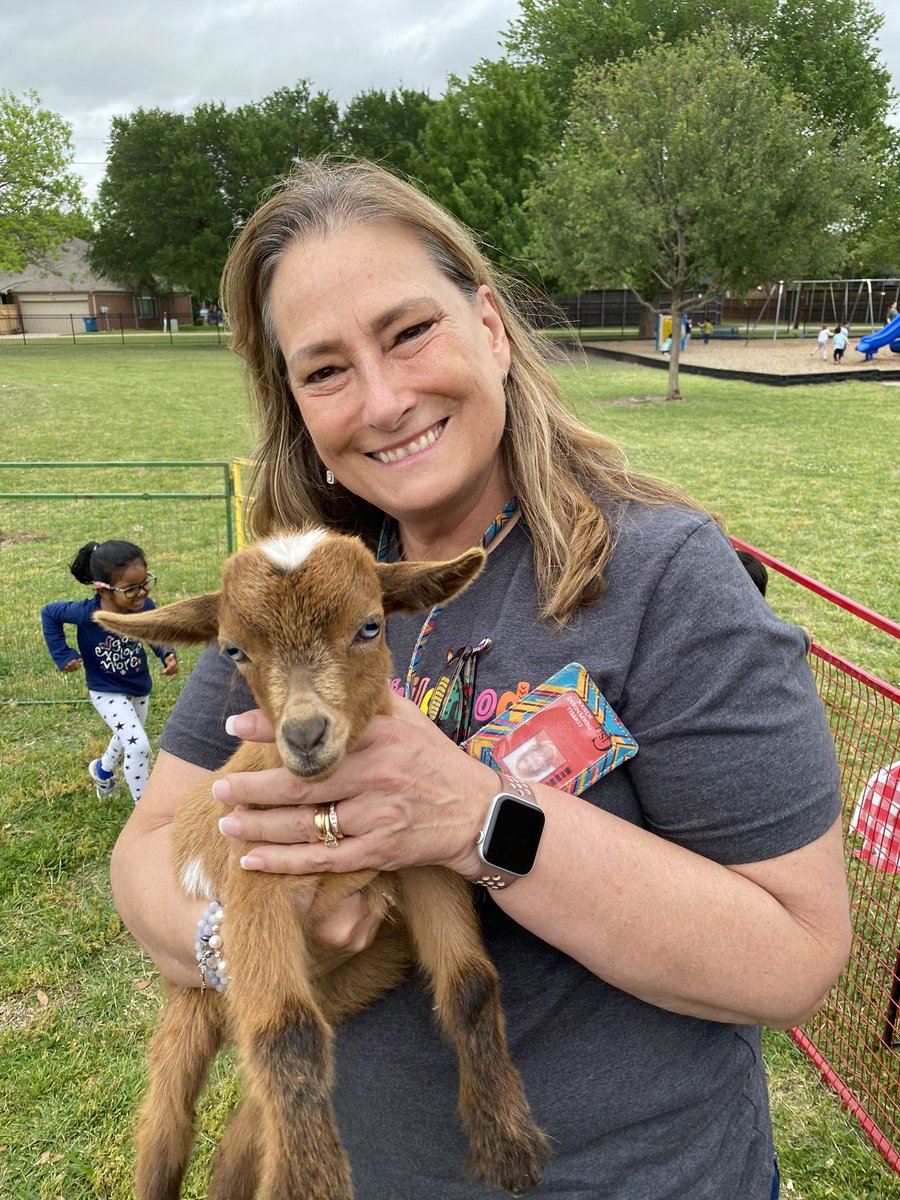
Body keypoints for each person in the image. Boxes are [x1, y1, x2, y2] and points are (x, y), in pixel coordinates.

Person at [110, 159, 850, 1200]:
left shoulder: (667, 581)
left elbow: (796, 956)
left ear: (492, 329)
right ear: (297, 406)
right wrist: (239, 945)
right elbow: (145, 854)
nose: (383, 399)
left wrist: (474, 819)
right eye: (324, 371)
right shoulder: (290, 588)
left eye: (409, 332)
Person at [41, 540, 178, 803]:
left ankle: (102, 771)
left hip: (138, 686)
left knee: (126, 733)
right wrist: (63, 655)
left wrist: (167, 653)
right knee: (138, 746)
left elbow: (155, 632)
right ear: (103, 589)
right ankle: (145, 812)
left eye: (145, 583)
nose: (141, 593)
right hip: (105, 689)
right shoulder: (86, 612)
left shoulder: (144, 607)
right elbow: (50, 613)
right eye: (130, 589)